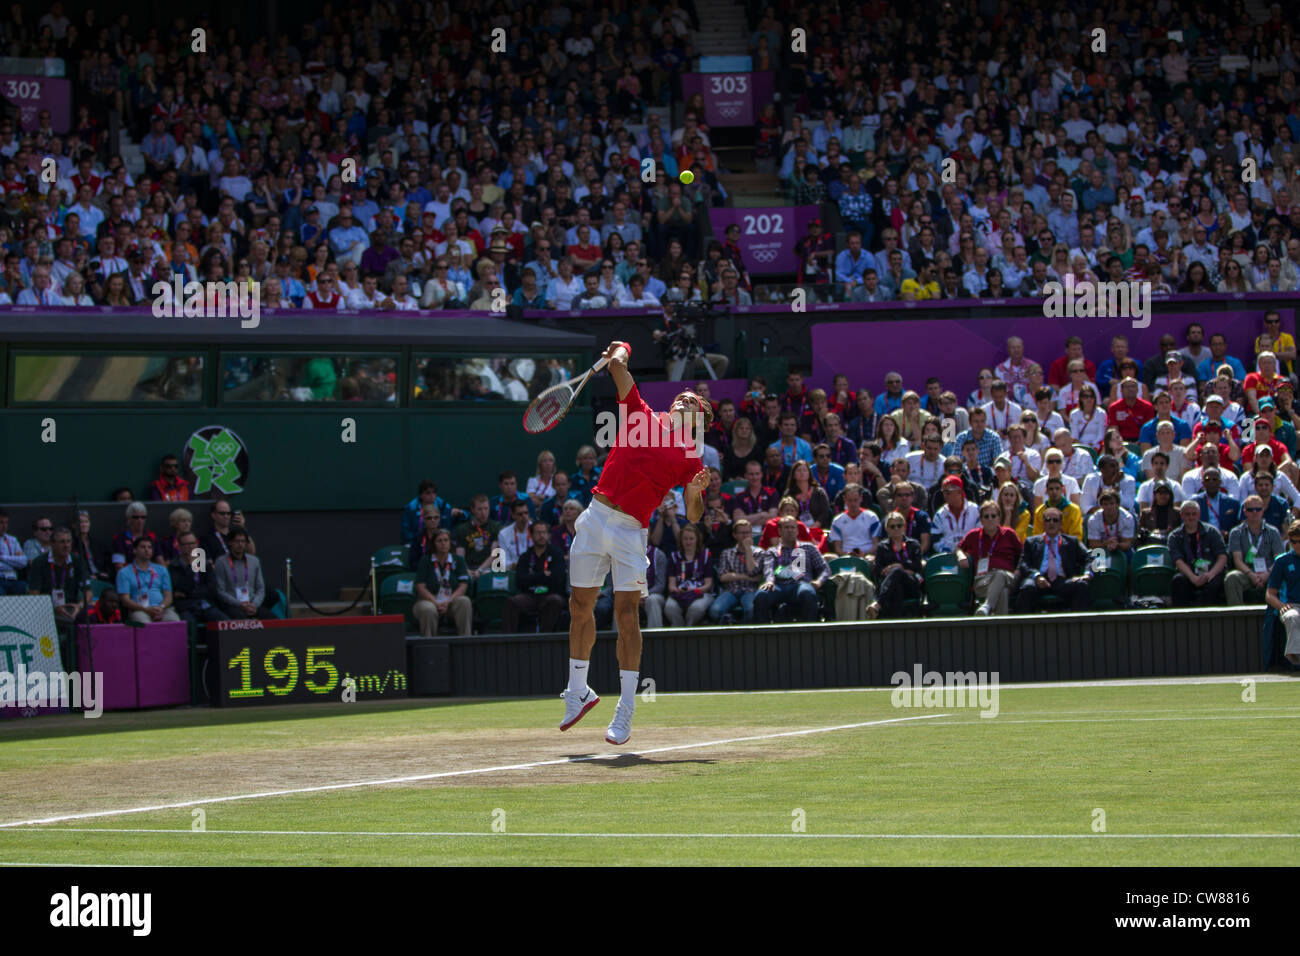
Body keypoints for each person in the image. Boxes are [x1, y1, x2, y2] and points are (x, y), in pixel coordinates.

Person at [562, 341, 711, 747]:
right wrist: (622, 350)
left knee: (627, 614)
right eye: (681, 398)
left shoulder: (691, 458)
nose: (682, 402)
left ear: (698, 420)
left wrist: (696, 492)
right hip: (594, 517)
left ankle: (625, 707)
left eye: (692, 403)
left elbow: (694, 515)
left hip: (630, 531)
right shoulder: (640, 413)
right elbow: (620, 369)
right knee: (580, 605)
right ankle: (579, 690)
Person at [1014, 507, 1093, 612]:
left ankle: (1077, 625)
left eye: (1055, 520)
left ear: (1060, 524)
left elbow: (1092, 555)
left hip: (1062, 580)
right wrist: (1036, 576)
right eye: (1047, 520)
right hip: (1038, 580)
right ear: (1043, 523)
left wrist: (1088, 574)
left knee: (1082, 585)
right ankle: (1023, 626)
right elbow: (1023, 564)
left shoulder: (1072, 542)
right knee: (1027, 587)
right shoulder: (1031, 542)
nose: (1051, 523)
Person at [754, 515, 829, 623]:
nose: (790, 530)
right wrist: (769, 581)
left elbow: (824, 569)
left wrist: (819, 582)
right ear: (779, 531)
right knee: (762, 595)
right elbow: (769, 569)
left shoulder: (809, 548)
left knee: (807, 592)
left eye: (793, 527)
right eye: (786, 527)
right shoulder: (772, 551)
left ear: (797, 531)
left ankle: (810, 633)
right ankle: (763, 635)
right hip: (778, 586)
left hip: (801, 584)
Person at [958, 502, 1023, 616]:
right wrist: (961, 556)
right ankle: (1002, 629)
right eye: (986, 516)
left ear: (999, 518)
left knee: (1000, 575)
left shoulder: (1009, 534)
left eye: (993, 516)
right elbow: (958, 548)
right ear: (981, 520)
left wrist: (1018, 570)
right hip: (983, 580)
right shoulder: (974, 535)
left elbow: (1024, 554)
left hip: (1007, 577)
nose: (990, 519)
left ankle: (987, 606)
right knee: (1002, 592)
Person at [505, 521, 568, 632]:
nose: (541, 536)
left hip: (552, 593)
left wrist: (532, 577)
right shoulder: (525, 556)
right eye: (538, 533)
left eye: (544, 533)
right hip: (530, 595)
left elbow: (558, 579)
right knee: (513, 601)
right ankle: (508, 641)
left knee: (554, 601)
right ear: (532, 535)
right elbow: (520, 580)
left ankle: (545, 640)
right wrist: (543, 575)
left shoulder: (556, 554)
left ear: (549, 535)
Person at [26, 526, 91, 634]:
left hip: (72, 608)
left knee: (89, 616)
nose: (66, 546)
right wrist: (52, 608)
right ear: (52, 544)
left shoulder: (77, 561)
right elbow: (34, 595)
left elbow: (88, 593)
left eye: (69, 541)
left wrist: (78, 606)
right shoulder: (39, 562)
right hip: (46, 610)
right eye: (62, 542)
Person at [1225, 495, 1284, 606]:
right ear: (1245, 512)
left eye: (1258, 509)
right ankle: (1237, 618)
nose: (1254, 512)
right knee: (1232, 578)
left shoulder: (1273, 532)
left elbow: (1279, 559)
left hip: (1269, 574)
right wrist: (1252, 575)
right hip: (1247, 574)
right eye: (1251, 510)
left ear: (1263, 511)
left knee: (1283, 577)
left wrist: (1266, 574)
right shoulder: (1236, 532)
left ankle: (1279, 616)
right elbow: (1237, 560)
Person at [1167, 500, 1228, 607]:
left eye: (1194, 514)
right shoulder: (1174, 536)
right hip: (1188, 574)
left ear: (1199, 514)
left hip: (1210, 573)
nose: (1191, 518)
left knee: (1215, 584)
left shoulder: (1212, 532)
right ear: (1181, 515)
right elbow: (1178, 560)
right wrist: (1192, 577)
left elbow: (1222, 556)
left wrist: (1210, 574)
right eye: (1187, 514)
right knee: (1178, 581)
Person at [413, 528, 473, 636]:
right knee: (428, 609)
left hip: (451, 600)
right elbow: (420, 587)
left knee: (464, 601)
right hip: (429, 600)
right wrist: (436, 602)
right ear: (433, 544)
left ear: (450, 543)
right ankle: (429, 645)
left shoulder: (458, 560)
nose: (443, 544)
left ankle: (465, 641)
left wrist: (448, 601)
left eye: (446, 540)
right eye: (439, 541)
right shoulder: (425, 561)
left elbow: (463, 586)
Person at [867, 511, 925, 618]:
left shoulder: (913, 544)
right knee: (897, 586)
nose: (896, 529)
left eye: (899, 525)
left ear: (904, 527)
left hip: (910, 583)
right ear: (887, 529)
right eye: (892, 526)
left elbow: (917, 566)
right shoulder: (882, 547)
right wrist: (901, 569)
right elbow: (879, 570)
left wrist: (898, 567)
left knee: (896, 571)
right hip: (891, 586)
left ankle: (878, 604)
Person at [169, 530, 228, 627]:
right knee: (189, 626)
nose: (191, 547)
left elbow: (212, 588)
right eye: (187, 544)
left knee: (225, 622)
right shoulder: (174, 566)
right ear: (179, 546)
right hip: (186, 607)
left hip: (205, 604)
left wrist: (189, 593)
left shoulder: (204, 563)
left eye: (193, 543)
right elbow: (181, 587)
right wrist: (190, 567)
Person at [115, 536, 180, 624]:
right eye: (143, 547)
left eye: (149, 547)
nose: (147, 550)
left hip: (162, 609)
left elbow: (168, 596)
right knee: (144, 624)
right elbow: (125, 600)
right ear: (134, 550)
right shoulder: (124, 572)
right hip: (139, 610)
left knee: (174, 621)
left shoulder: (162, 570)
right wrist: (145, 609)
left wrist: (161, 607)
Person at [709, 518, 762, 624]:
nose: (745, 536)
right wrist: (746, 577)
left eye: (748, 532)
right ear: (735, 535)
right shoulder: (727, 553)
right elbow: (723, 577)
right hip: (730, 590)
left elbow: (754, 574)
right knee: (715, 611)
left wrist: (748, 549)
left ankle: (741, 629)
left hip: (750, 590)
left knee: (751, 609)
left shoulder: (759, 552)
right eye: (742, 533)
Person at [212, 528, 272, 619]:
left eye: (243, 541)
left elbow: (260, 588)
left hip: (252, 604)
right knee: (241, 619)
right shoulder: (221, 562)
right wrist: (240, 605)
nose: (240, 544)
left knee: (272, 619)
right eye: (237, 541)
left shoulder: (254, 561)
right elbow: (220, 591)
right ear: (230, 542)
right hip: (233, 605)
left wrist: (254, 605)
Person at [662, 523, 714, 626]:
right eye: (685, 539)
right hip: (679, 594)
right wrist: (677, 590)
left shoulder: (705, 555)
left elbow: (708, 584)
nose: (688, 542)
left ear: (697, 539)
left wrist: (694, 591)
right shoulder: (674, 557)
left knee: (696, 609)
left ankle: (689, 633)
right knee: (670, 608)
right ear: (681, 540)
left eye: (691, 539)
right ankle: (678, 633)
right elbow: (671, 586)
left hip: (701, 593)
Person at [1265, 519, 1300, 665]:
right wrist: (1281, 606)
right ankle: (1297, 661)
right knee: (1292, 617)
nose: (1296, 545)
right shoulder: (1282, 561)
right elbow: (1270, 594)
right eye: (1293, 541)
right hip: (1293, 605)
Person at [454, 494, 503, 579]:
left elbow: (494, 554)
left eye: (486, 508)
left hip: (488, 568)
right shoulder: (462, 529)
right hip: (469, 568)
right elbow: (460, 556)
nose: (483, 513)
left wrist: (479, 571)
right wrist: (466, 570)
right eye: (479, 509)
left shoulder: (495, 527)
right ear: (473, 510)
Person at [829, 483, 880, 558]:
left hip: (867, 556)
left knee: (871, 559)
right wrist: (848, 555)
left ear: (861, 498)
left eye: (856, 500)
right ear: (845, 499)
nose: (853, 504)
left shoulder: (872, 517)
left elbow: (876, 544)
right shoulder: (837, 521)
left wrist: (864, 555)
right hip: (846, 556)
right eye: (850, 500)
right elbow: (837, 548)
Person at [932, 474, 980, 552]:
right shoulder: (940, 514)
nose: (944, 495)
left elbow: (981, 534)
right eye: (943, 492)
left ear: (959, 492)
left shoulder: (975, 510)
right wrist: (945, 550)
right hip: (948, 556)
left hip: (972, 554)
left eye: (947, 492)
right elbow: (935, 539)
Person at [1193, 468, 1240, 537]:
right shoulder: (1194, 503)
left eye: (1214, 479)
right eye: (1207, 480)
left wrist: (1228, 533)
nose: (1211, 482)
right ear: (1203, 483)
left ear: (1220, 482)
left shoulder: (1232, 503)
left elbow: (1238, 526)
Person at [496, 500, 533, 570]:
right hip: (513, 571)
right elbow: (502, 561)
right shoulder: (503, 534)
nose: (524, 516)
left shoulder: (537, 530)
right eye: (520, 514)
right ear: (513, 515)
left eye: (526, 513)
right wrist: (514, 565)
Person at [0, 508, 30, 594]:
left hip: (13, 579)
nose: (4, 526)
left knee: (25, 587)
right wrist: (13, 562)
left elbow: (23, 562)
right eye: (1, 522)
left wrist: (2, 558)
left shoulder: (12, 540)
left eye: (6, 522)